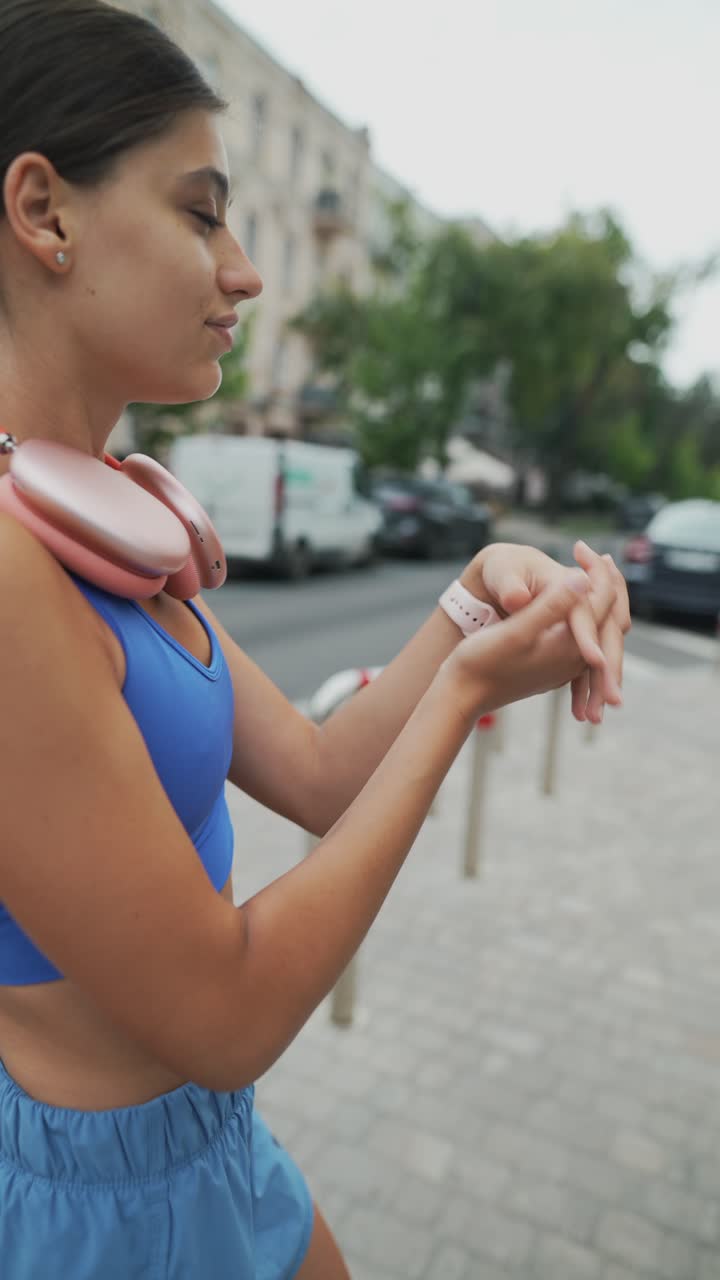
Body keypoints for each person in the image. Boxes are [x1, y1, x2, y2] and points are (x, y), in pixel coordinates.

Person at [0, 3, 629, 1277]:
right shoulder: (11, 568)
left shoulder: (108, 525)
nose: (247, 268)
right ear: (44, 210)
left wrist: (473, 601)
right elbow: (228, 1009)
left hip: (210, 1145)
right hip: (92, 1209)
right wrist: (463, 694)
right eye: (200, 211)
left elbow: (325, 773)